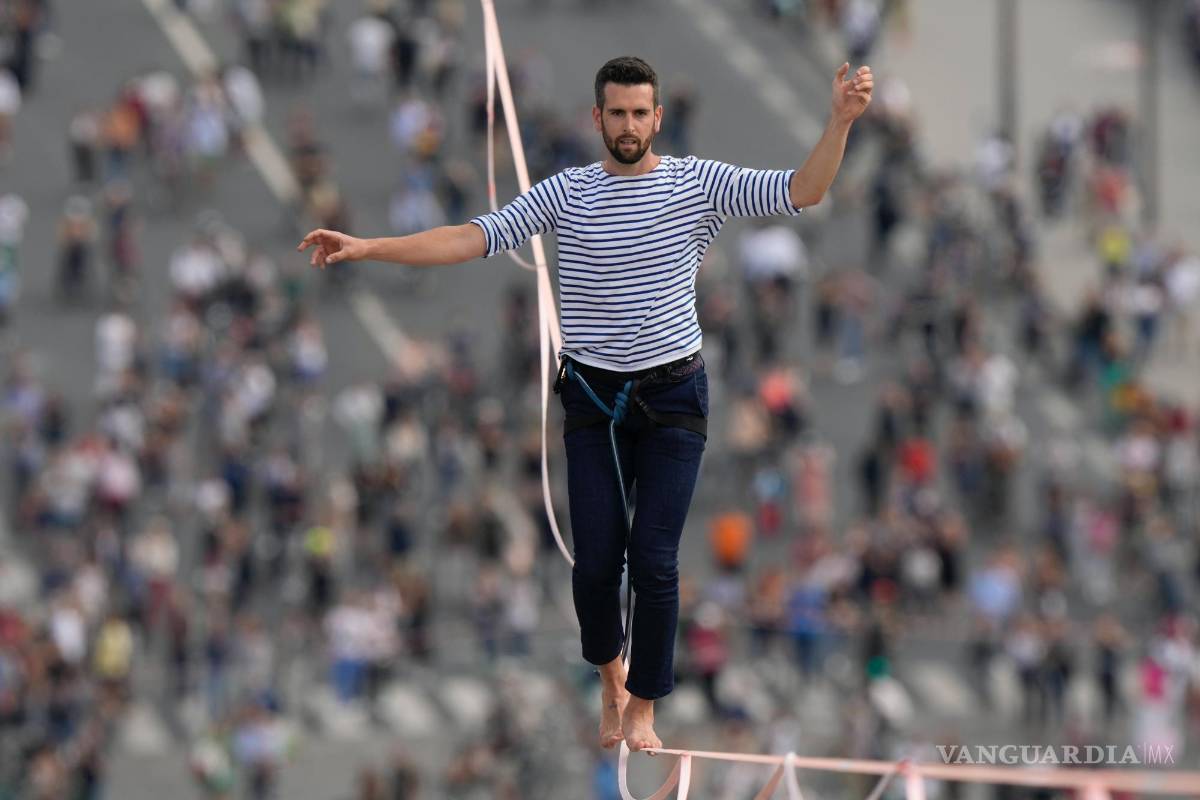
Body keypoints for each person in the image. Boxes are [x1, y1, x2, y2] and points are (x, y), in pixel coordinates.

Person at [298, 55, 873, 752]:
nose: (629, 125)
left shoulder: (698, 183)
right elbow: (471, 236)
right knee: (597, 561)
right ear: (597, 118)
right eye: (617, 113)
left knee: (656, 559)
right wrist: (368, 246)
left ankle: (646, 705)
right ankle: (611, 677)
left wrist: (839, 121)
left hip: (673, 396)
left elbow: (804, 190)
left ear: (657, 118)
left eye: (641, 113)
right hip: (596, 399)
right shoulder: (567, 192)